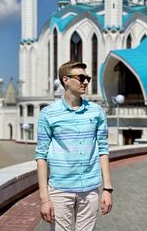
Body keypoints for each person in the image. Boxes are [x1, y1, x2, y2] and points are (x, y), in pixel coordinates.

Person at [36, 61, 113, 231]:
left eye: (87, 78)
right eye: (81, 77)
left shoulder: (97, 111)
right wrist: (44, 198)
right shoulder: (47, 114)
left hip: (90, 188)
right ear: (65, 80)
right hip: (60, 189)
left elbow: (103, 150)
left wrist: (107, 189)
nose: (86, 81)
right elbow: (41, 156)